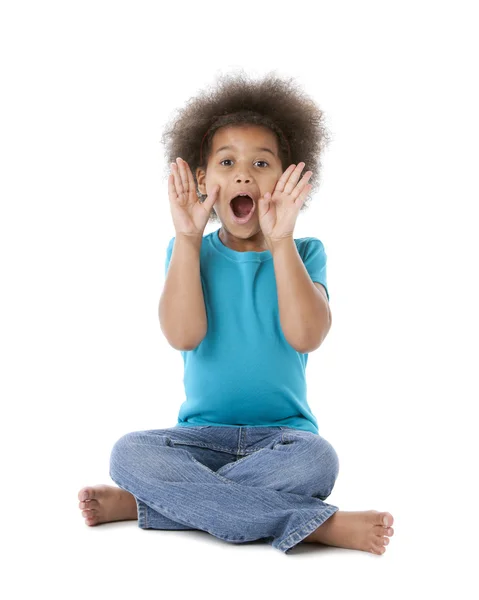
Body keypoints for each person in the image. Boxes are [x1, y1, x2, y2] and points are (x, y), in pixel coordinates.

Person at [78, 70, 394, 555]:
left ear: (289, 181)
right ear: (204, 181)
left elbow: (307, 335)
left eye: (262, 163)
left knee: (320, 463)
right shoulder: (188, 251)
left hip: (285, 441)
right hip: (199, 438)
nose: (244, 173)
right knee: (128, 452)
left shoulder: (306, 252)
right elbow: (183, 335)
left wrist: (282, 240)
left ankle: (152, 505)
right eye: (227, 162)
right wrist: (186, 239)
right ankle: (315, 524)